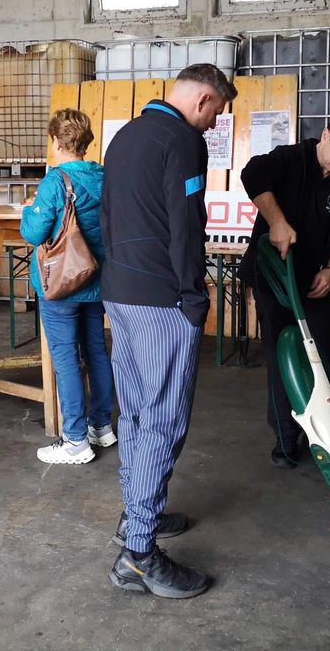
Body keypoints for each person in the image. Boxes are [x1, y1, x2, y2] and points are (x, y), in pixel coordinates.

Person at [101, 63, 237, 599]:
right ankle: (138, 554)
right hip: (162, 301)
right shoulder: (182, 141)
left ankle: (137, 516)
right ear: (203, 100)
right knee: (162, 421)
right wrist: (194, 297)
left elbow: (110, 219)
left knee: (136, 412)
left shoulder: (125, 136)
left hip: (121, 293)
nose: (214, 123)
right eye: (216, 113)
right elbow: (187, 225)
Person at [239, 112, 330, 470]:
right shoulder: (290, 158)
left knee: (325, 356)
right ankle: (285, 439)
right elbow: (252, 174)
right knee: (284, 357)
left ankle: (323, 428)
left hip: (315, 282)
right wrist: (277, 222)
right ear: (325, 135)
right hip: (275, 279)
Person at [20, 109, 115, 465]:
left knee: (66, 359)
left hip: (61, 285)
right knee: (96, 351)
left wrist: (29, 210)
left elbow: (34, 233)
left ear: (56, 142)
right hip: (96, 280)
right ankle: (101, 426)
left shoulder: (55, 181)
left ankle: (75, 440)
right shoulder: (104, 176)